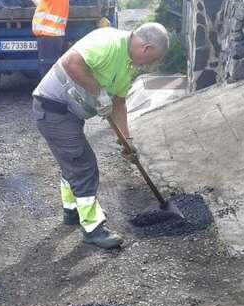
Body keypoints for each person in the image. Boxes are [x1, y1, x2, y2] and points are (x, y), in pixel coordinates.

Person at [32, 23, 169, 249]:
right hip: (52, 108)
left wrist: (127, 141)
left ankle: (72, 212)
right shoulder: (108, 41)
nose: (149, 65)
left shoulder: (127, 65)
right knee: (84, 167)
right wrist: (98, 91)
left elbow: (119, 102)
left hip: (68, 113)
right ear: (145, 48)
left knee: (72, 163)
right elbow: (71, 62)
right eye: (152, 59)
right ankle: (93, 229)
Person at [31, 0, 69, 78]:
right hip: (54, 36)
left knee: (47, 71)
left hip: (48, 36)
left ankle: (49, 89)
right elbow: (41, 3)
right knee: (51, 69)